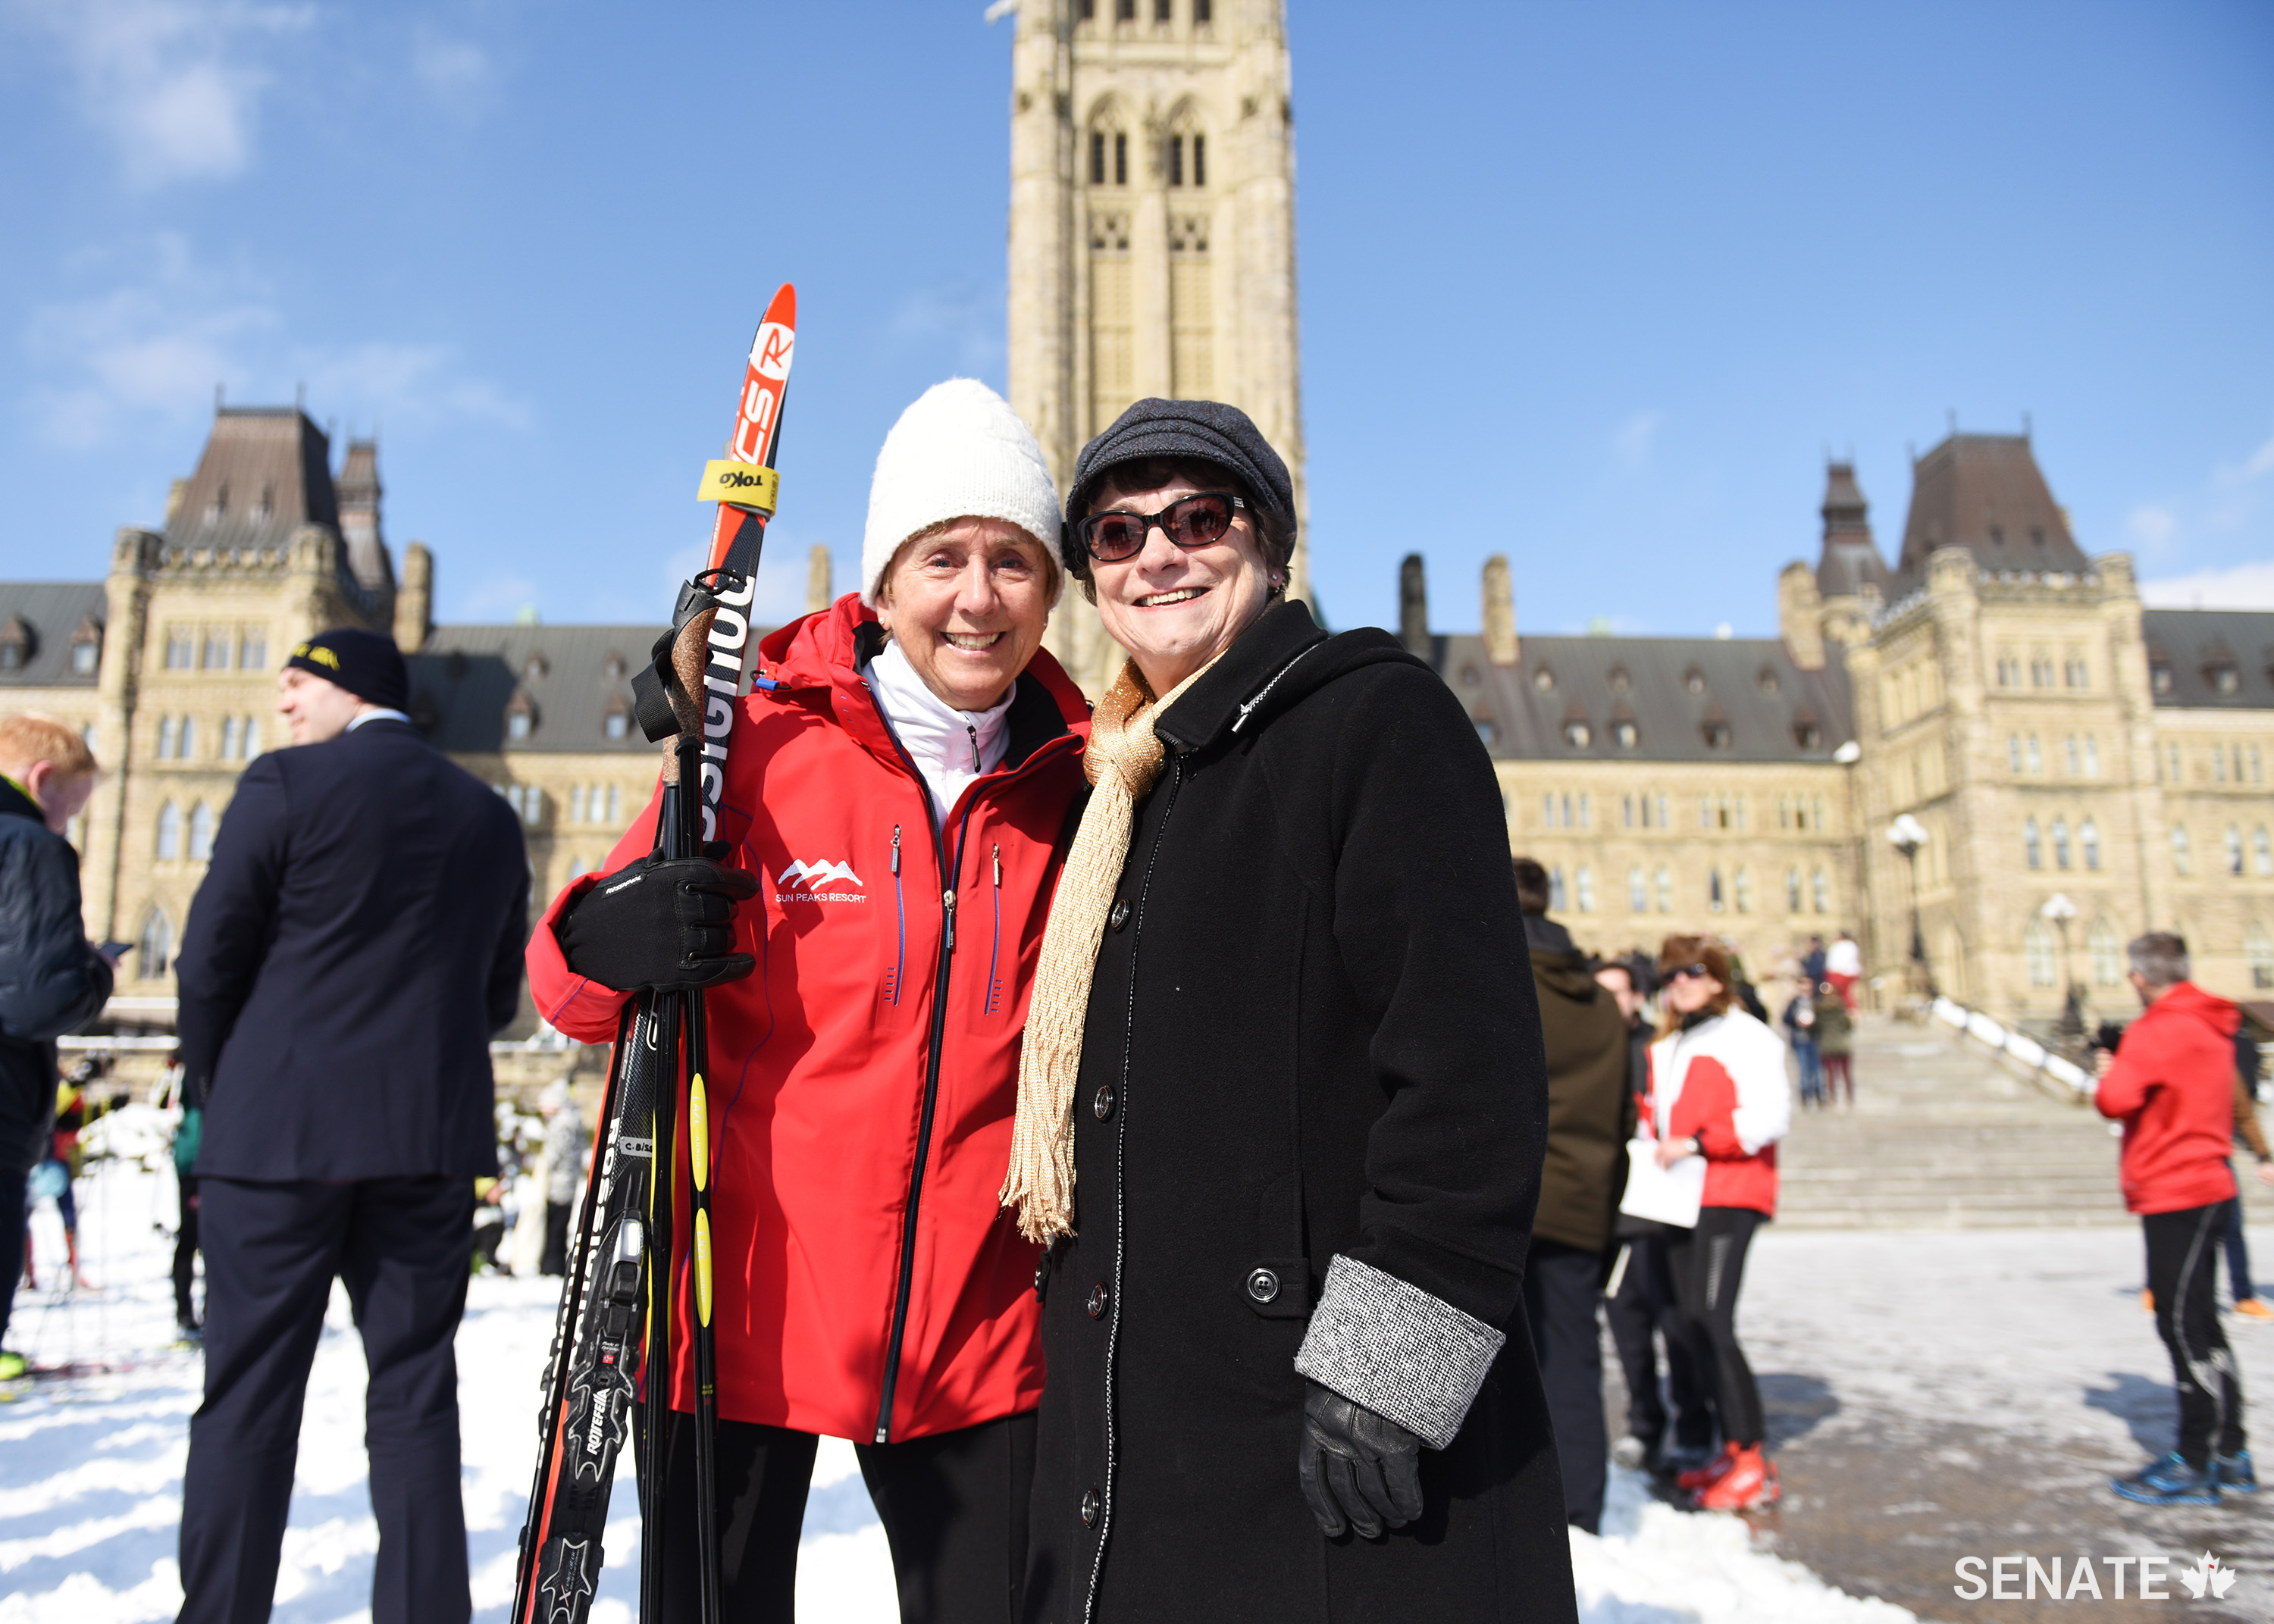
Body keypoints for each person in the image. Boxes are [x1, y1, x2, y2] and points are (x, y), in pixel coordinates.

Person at [525, 378, 1088, 1623]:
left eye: (1013, 560)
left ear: (1051, 592)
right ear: (883, 585)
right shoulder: (761, 748)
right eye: (942, 556)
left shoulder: (1085, 791)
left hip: (976, 1340)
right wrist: (606, 935)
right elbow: (565, 992)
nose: (978, 596)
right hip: (740, 1317)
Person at [1010, 399, 1574, 1621]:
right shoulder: (1118, 791)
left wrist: (1390, 1372)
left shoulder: (1374, 721)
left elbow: (1471, 1071)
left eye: (1196, 518)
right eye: (1114, 534)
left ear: (1270, 545)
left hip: (1327, 1451)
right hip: (1154, 1449)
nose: (1155, 553)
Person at [174, 627, 530, 1624]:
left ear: (348, 691)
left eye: (297, 685)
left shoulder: (285, 784)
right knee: (415, 1398)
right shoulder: (490, 816)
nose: (283, 705)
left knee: (247, 1395)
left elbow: (208, 961)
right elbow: (494, 996)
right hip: (428, 1139)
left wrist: (225, 1085)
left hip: (276, 1136)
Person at [2094, 932, 2271, 1504]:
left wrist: (2111, 1063)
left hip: (2174, 1186)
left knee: (2180, 1322)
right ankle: (2230, 1452)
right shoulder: (2211, 1022)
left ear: (2140, 977)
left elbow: (2114, 1099)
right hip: (2211, 1181)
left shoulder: (2155, 1029)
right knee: (2202, 1322)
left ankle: (2196, 1458)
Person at [1646, 935, 1790, 1513]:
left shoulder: (1744, 1034)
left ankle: (1754, 1458)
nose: (1680, 981)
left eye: (1693, 970)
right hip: (1681, 1196)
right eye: (1671, 973)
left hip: (1730, 1189)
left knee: (1712, 1316)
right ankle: (1729, 1449)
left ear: (1719, 978)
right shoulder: (1675, 1040)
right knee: (1689, 1321)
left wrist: (1701, 1142)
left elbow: (1769, 1114)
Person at [1508, 859, 1632, 1535]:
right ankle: (1582, 1508)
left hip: (1515, 1201)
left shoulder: (1503, 977)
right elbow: (1623, 1117)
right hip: (1584, 1204)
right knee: (1576, 1360)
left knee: (1492, 1358)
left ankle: (1521, 1504)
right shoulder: (1605, 1001)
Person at [0, 714, 114, 1380]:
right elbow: (44, 999)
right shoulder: (30, 845)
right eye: (70, 811)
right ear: (42, 781)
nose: (67, 827)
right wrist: (96, 970)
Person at [1596, 956, 1712, 1478]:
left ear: (1637, 997)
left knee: (1677, 1320)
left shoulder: (1656, 1047)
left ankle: (1693, 1424)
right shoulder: (1587, 1045)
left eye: (1618, 992)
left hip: (1662, 1208)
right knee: (1627, 1325)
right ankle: (1646, 1423)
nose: (1608, 1002)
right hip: (1612, 1215)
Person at [158, 1050, 203, 1336]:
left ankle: (213, 1313)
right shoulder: (189, 1071)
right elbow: (165, 1103)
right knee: (191, 1235)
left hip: (214, 1156)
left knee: (215, 1240)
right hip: (196, 1160)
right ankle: (184, 1313)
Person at [534, 1079, 587, 1277]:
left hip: (559, 1183)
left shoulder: (562, 1123)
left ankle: (551, 1266)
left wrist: (542, 1170)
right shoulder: (573, 1119)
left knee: (554, 1225)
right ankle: (552, 1264)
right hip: (568, 1181)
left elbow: (553, 1155)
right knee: (560, 1224)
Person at [1814, 980, 1855, 1106]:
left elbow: (1816, 1029)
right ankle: (1849, 1097)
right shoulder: (1841, 1008)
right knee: (1846, 1074)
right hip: (1842, 1045)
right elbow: (1848, 1026)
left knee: (1830, 1075)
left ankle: (1832, 1097)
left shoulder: (1819, 1010)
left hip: (1827, 1046)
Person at [1782, 984, 1822, 1109]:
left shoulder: (1816, 1001)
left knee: (1817, 1071)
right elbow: (1785, 1019)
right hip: (1800, 1040)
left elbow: (1823, 1021)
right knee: (1804, 1070)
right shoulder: (1794, 1003)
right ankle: (1805, 1096)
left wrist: (1814, 1023)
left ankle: (1819, 1096)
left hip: (1814, 1039)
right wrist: (1796, 1021)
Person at [1825, 930, 1862, 1009]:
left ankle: (1851, 1009)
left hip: (1843, 973)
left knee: (1846, 994)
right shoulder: (1839, 946)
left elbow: (1842, 961)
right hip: (1838, 973)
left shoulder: (1847, 946)